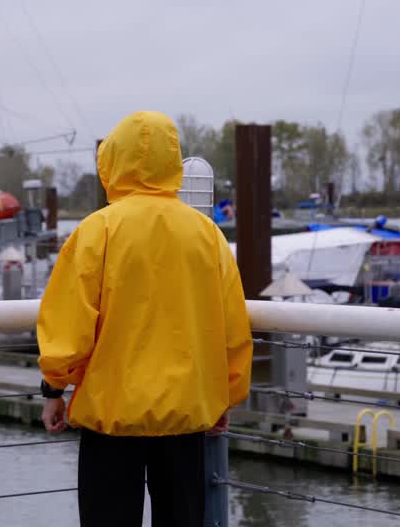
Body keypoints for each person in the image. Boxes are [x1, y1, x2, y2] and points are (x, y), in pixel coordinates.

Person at [36, 111, 252, 527]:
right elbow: (231, 326)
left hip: (112, 418)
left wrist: (54, 388)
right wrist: (225, 394)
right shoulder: (207, 234)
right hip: (185, 415)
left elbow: (68, 326)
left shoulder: (97, 231)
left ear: (113, 160)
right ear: (173, 161)